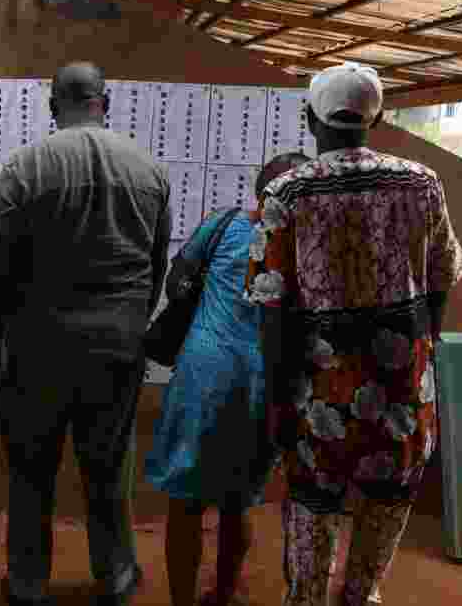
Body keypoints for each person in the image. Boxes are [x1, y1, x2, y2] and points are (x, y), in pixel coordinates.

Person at [246, 63, 462, 606]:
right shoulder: (422, 183)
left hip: (317, 403)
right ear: (380, 116)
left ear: (310, 118)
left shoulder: (287, 193)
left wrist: (275, 402)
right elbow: (443, 277)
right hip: (404, 400)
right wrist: (421, 352)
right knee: (381, 525)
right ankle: (362, 596)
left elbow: (271, 310)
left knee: (312, 525)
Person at [0, 62, 171, 606]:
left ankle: (28, 584)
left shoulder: (26, 167)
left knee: (30, 472)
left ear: (52, 102)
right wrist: (129, 323)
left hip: (37, 349)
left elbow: (1, 269)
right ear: (105, 100)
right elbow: (156, 267)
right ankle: (115, 577)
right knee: (108, 469)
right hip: (117, 348)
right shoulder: (150, 170)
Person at [146, 153, 311, 606]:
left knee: (186, 499)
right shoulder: (305, 245)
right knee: (238, 501)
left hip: (203, 374)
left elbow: (178, 276)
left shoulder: (221, 225)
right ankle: (222, 594)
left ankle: (184, 599)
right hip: (262, 380)